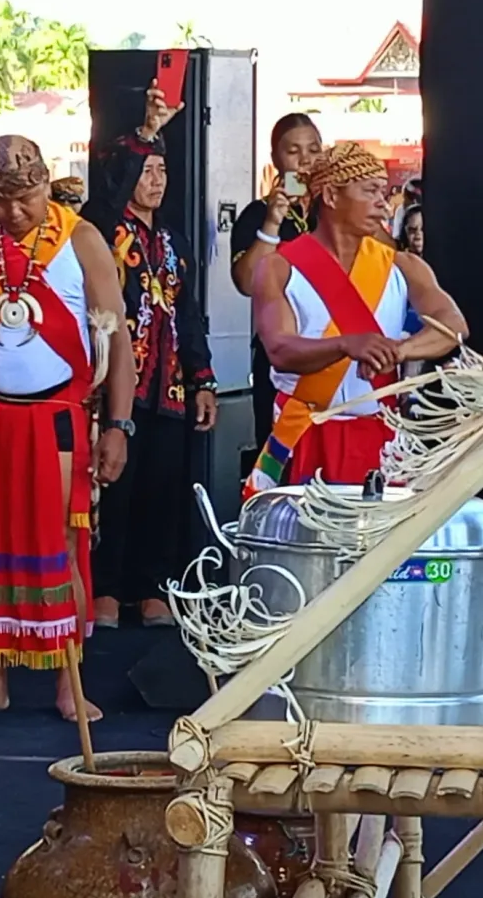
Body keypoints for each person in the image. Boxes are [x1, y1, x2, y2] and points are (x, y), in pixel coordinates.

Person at [0, 134, 134, 722]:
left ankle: (69, 684)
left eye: (24, 196)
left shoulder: (82, 240)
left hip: (58, 418)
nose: (13, 212)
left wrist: (118, 425)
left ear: (45, 182)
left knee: (65, 544)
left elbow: (116, 338)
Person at [249, 142, 464, 492]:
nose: (383, 202)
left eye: (384, 191)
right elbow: (280, 350)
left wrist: (399, 350)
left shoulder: (403, 265)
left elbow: (453, 327)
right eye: (370, 191)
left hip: (381, 437)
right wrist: (347, 344)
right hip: (304, 436)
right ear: (332, 196)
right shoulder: (278, 268)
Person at [86, 92, 216, 623]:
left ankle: (155, 588)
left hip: (170, 389)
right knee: (116, 490)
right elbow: (107, 201)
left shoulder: (173, 241)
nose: (157, 181)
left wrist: (203, 377)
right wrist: (145, 130)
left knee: (164, 492)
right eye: (146, 170)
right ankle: (107, 590)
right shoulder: (102, 230)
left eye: (163, 170)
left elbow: (189, 314)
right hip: (119, 384)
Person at [232, 112, 327, 441]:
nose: (306, 161)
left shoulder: (335, 212)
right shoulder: (257, 214)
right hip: (280, 359)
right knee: (280, 459)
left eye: (314, 150)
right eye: (294, 151)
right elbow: (245, 282)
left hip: (335, 349)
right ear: (275, 159)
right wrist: (272, 223)